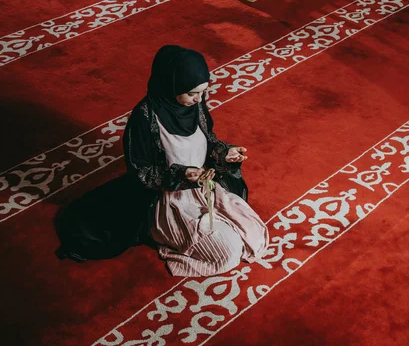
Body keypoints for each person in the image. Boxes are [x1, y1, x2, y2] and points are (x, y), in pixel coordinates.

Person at [55, 45, 268, 277]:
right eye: (192, 93)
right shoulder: (145, 117)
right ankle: (169, 241)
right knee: (227, 253)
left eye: (202, 92)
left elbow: (207, 141)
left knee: (254, 236)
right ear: (171, 84)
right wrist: (181, 175)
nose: (198, 99)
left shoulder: (195, 106)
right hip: (168, 200)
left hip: (205, 189)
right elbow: (142, 172)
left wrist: (223, 152)